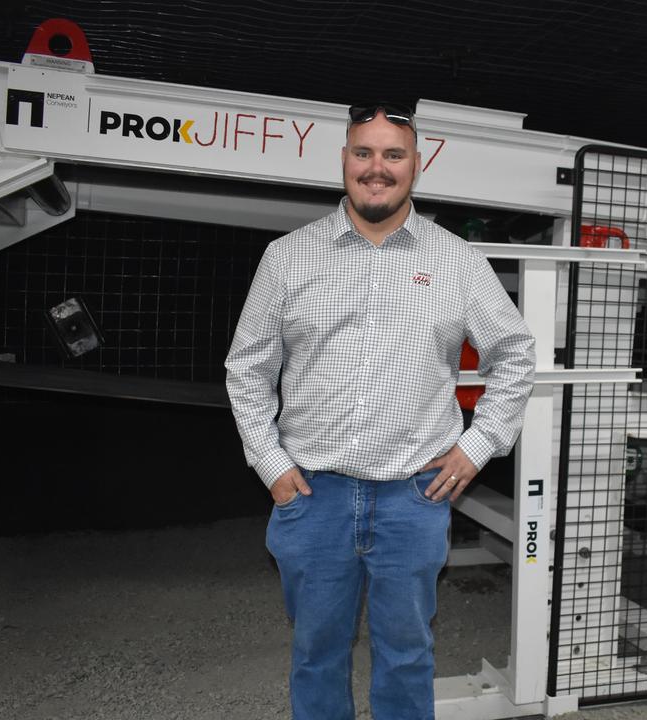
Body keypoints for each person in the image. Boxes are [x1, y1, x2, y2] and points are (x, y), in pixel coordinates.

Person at [224, 101, 536, 720]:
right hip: (312, 498)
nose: (377, 167)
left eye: (393, 155)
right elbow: (248, 368)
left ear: (416, 166)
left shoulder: (458, 262)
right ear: (344, 161)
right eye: (363, 153)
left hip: (414, 499)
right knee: (316, 653)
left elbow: (516, 356)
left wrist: (476, 448)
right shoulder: (288, 257)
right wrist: (270, 463)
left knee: (407, 655)